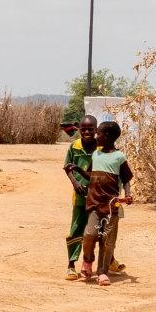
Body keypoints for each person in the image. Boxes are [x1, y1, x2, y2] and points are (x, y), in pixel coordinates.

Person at [80, 121, 134, 286]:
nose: (96, 137)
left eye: (99, 134)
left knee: (107, 240)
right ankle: (87, 261)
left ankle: (102, 272)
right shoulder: (96, 155)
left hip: (111, 206)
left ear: (108, 137)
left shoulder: (119, 157)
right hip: (94, 203)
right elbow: (91, 175)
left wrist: (128, 194)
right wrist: (76, 170)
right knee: (90, 234)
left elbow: (126, 179)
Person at [62, 115, 97, 280]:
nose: (87, 132)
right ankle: (71, 264)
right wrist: (75, 183)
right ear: (79, 130)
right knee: (76, 228)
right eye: (84, 129)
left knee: (100, 229)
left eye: (91, 129)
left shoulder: (101, 148)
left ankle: (108, 261)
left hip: (98, 197)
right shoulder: (74, 146)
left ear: (96, 130)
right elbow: (67, 167)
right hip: (80, 197)